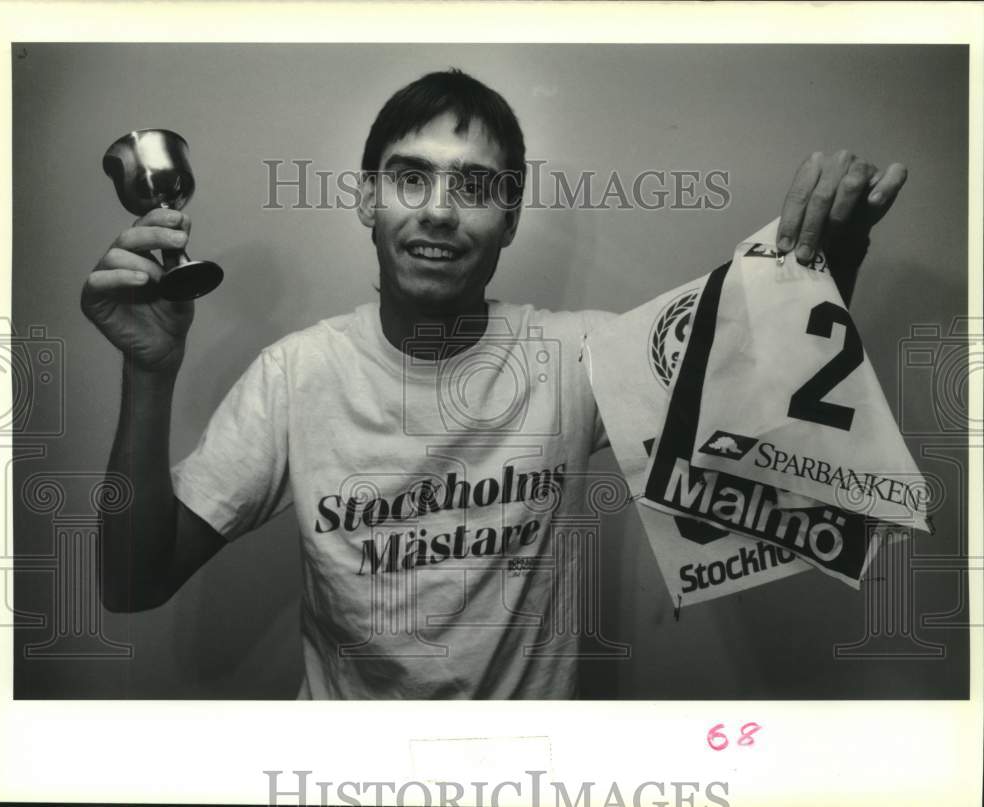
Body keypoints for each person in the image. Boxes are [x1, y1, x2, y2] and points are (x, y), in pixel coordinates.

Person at [81, 69, 907, 698]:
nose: (439, 211)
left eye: (474, 187)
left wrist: (819, 280)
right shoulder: (296, 375)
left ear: (510, 216)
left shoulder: (578, 353)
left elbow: (760, 423)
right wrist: (148, 373)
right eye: (412, 178)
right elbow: (129, 584)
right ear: (367, 199)